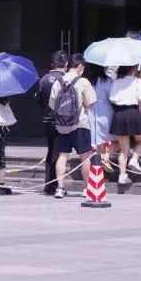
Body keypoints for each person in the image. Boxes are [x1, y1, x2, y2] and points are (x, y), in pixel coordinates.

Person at [48, 53, 96, 199]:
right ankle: (88, 188)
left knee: (62, 156)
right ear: (80, 65)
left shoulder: (58, 81)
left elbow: (52, 104)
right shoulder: (83, 82)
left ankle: (60, 188)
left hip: (62, 125)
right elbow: (90, 103)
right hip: (80, 124)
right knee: (84, 157)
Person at [35, 51, 67, 195]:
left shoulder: (43, 79)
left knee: (51, 151)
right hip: (60, 120)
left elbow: (38, 98)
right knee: (58, 152)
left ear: (52, 64)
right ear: (66, 64)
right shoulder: (65, 79)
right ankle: (53, 185)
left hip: (46, 118)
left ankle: (49, 183)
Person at [108, 65, 141, 177]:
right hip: (133, 111)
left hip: (119, 114)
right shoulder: (137, 81)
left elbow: (112, 98)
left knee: (123, 148)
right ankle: (134, 159)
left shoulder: (116, 82)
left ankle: (122, 175)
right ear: (132, 68)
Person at [85, 63, 116, 169]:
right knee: (117, 138)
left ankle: (100, 170)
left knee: (98, 141)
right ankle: (106, 158)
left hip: (90, 111)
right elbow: (112, 96)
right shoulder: (107, 81)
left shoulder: (87, 81)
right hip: (105, 110)